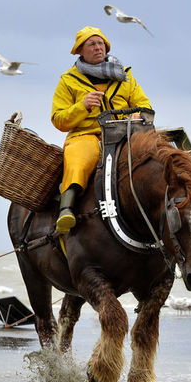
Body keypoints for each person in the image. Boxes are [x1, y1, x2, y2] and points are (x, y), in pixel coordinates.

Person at [51, 26, 152, 234]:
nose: (98, 48)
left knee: (157, 155)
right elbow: (58, 120)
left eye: (101, 44)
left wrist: (138, 115)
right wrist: (83, 106)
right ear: (80, 51)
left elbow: (145, 106)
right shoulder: (68, 80)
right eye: (92, 44)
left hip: (125, 135)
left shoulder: (125, 76)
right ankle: (66, 209)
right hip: (86, 136)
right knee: (78, 156)